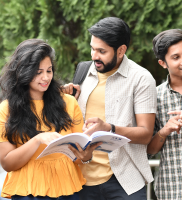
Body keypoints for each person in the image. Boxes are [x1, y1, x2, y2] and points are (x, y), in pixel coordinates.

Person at [64, 17, 157, 200]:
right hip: (80, 180)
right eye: (92, 48)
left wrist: (110, 129)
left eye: (101, 51)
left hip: (123, 182)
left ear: (121, 50)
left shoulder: (141, 79)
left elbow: (146, 134)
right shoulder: (83, 71)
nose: (94, 56)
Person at [0, 39, 100, 200]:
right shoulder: (7, 109)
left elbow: (80, 157)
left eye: (49, 70)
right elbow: (7, 163)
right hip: (28, 191)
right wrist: (38, 140)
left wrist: (86, 157)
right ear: (23, 72)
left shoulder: (68, 102)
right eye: (38, 72)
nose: (46, 77)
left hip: (68, 189)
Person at [147, 29, 182, 200]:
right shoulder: (154, 97)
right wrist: (164, 130)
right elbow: (149, 150)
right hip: (169, 190)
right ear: (163, 63)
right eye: (176, 57)